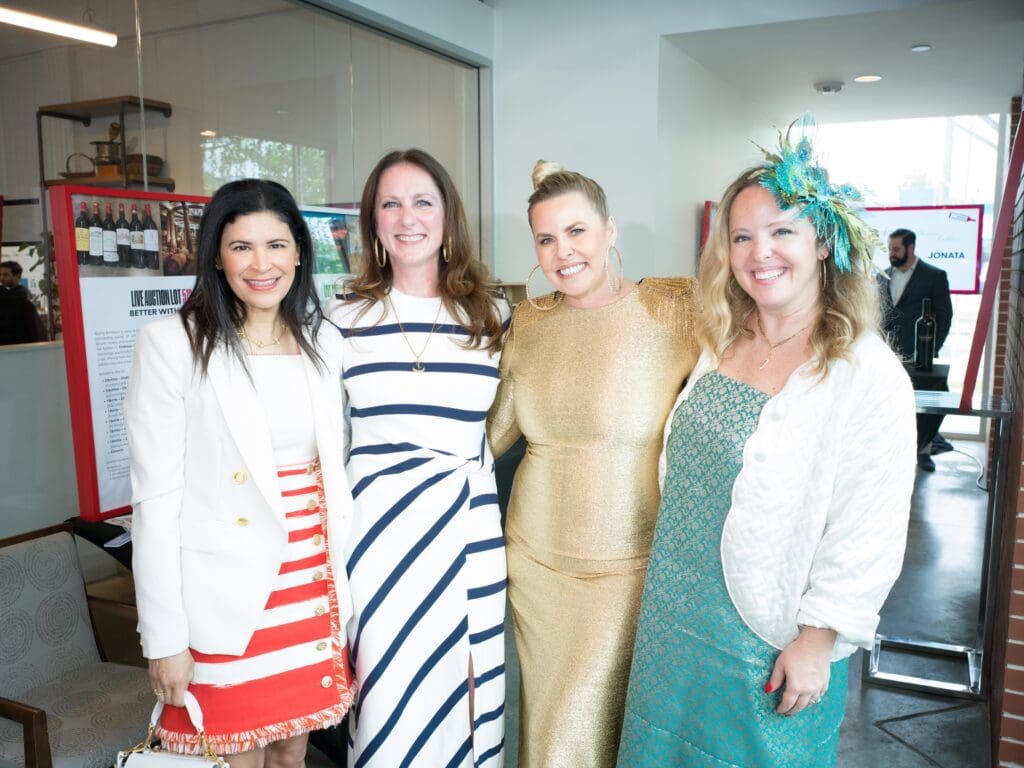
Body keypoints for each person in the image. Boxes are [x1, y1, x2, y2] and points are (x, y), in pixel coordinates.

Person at [617, 124, 917, 768]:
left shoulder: (866, 372)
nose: (761, 253)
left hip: (768, 633)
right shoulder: (722, 339)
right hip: (675, 616)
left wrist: (819, 637)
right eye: (742, 237)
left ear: (823, 243)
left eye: (782, 231)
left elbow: (870, 524)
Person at [125, 179, 355, 767]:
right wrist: (165, 639)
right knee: (235, 758)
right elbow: (155, 503)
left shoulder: (324, 342)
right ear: (216, 257)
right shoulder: (172, 345)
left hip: (308, 588)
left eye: (276, 245)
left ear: (299, 252)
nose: (261, 264)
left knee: (292, 754)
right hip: (223, 598)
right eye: (241, 247)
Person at [486, 160, 699, 767]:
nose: (563, 252)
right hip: (534, 564)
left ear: (610, 230)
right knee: (547, 726)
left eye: (577, 231)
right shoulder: (529, 322)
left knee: (599, 728)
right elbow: (491, 435)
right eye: (546, 238)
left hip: (630, 568)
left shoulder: (675, 309)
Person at [329, 148, 508, 767]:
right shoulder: (341, 318)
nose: (408, 218)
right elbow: (322, 440)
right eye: (391, 204)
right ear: (373, 222)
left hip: (468, 531)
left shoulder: (492, 315)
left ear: (447, 215)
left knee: (469, 690)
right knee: (386, 697)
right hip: (377, 540)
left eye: (423, 201)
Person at [883, 227, 954, 471]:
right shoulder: (883, 275)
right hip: (888, 355)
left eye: (896, 249)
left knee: (926, 407)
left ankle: (923, 451)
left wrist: (931, 350)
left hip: (920, 355)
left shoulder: (934, 276)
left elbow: (944, 316)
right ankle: (892, 451)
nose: (891, 254)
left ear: (910, 247)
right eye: (889, 249)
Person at [0, 260, 45, 344]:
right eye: (0, 275)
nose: (1, 278)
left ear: (17, 276)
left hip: (20, 343)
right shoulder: (3, 293)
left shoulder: (22, 296)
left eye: (6, 275)